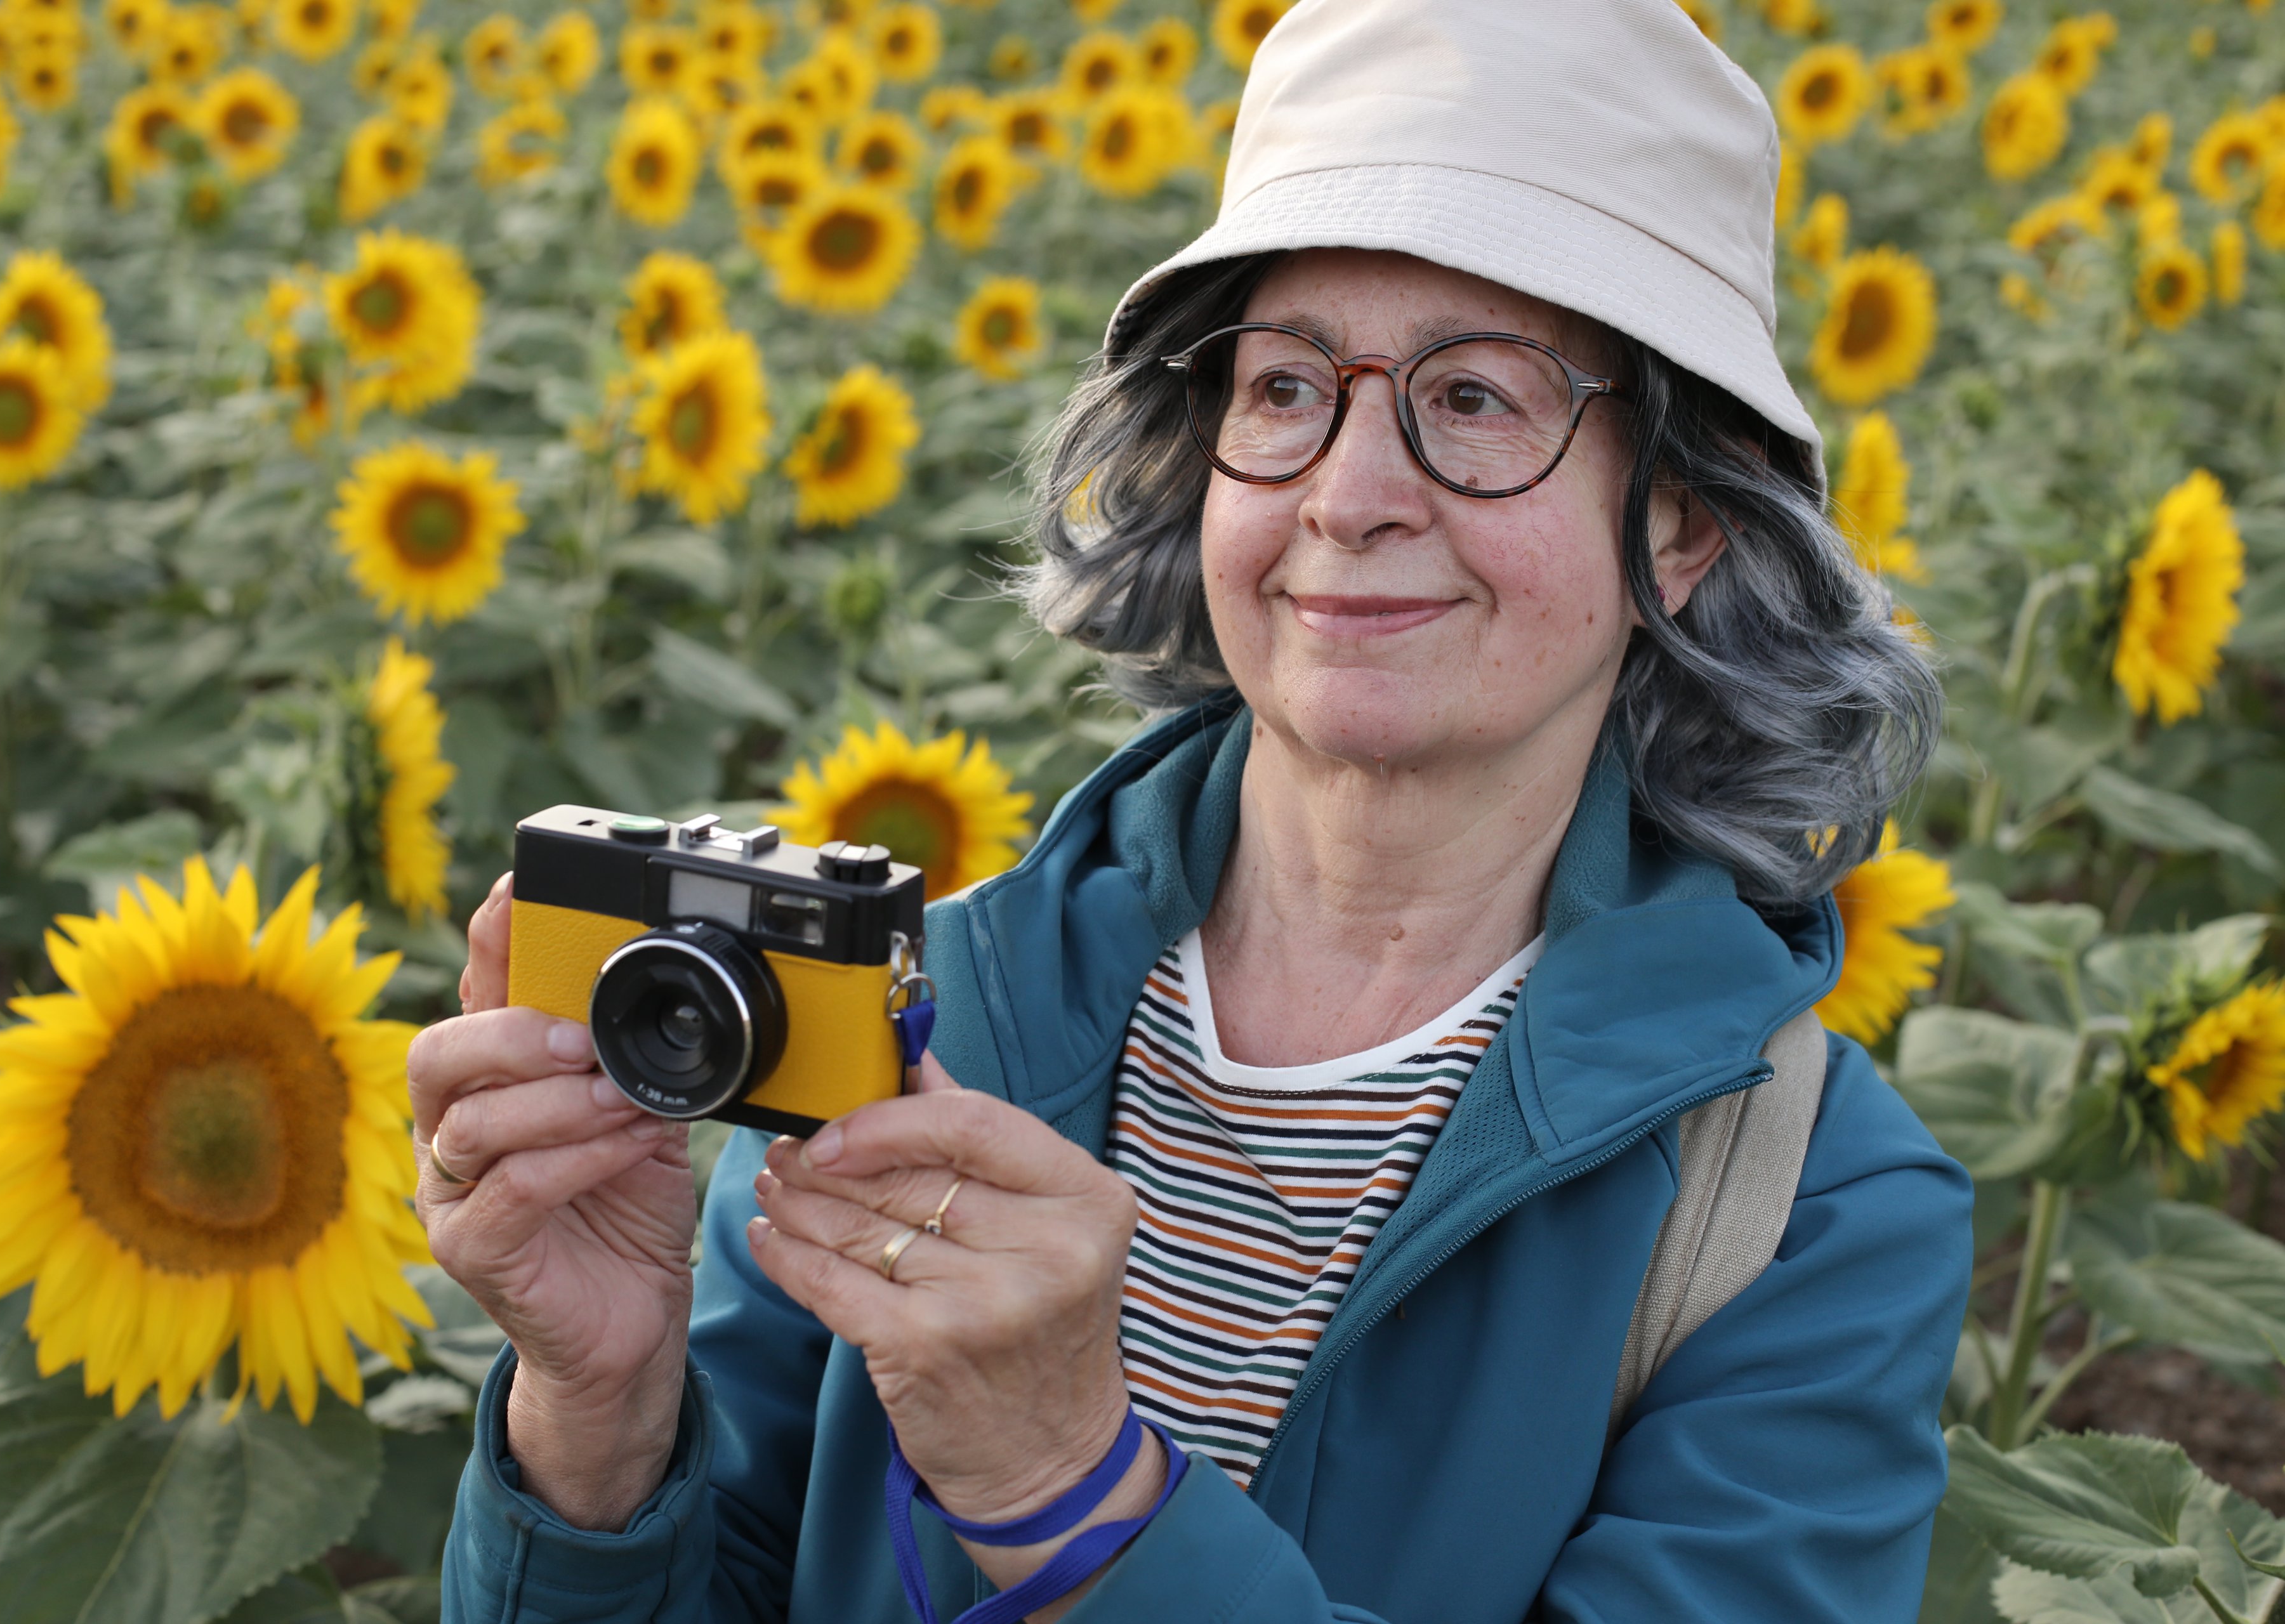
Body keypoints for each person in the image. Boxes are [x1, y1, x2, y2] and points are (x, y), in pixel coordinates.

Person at [410, 0, 1973, 1619]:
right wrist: (595, 1421)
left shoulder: (1804, 1215)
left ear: (1685, 525)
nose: (1350, 494)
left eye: (1480, 400)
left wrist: (1073, 1496)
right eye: (1287, 387)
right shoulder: (920, 1010)